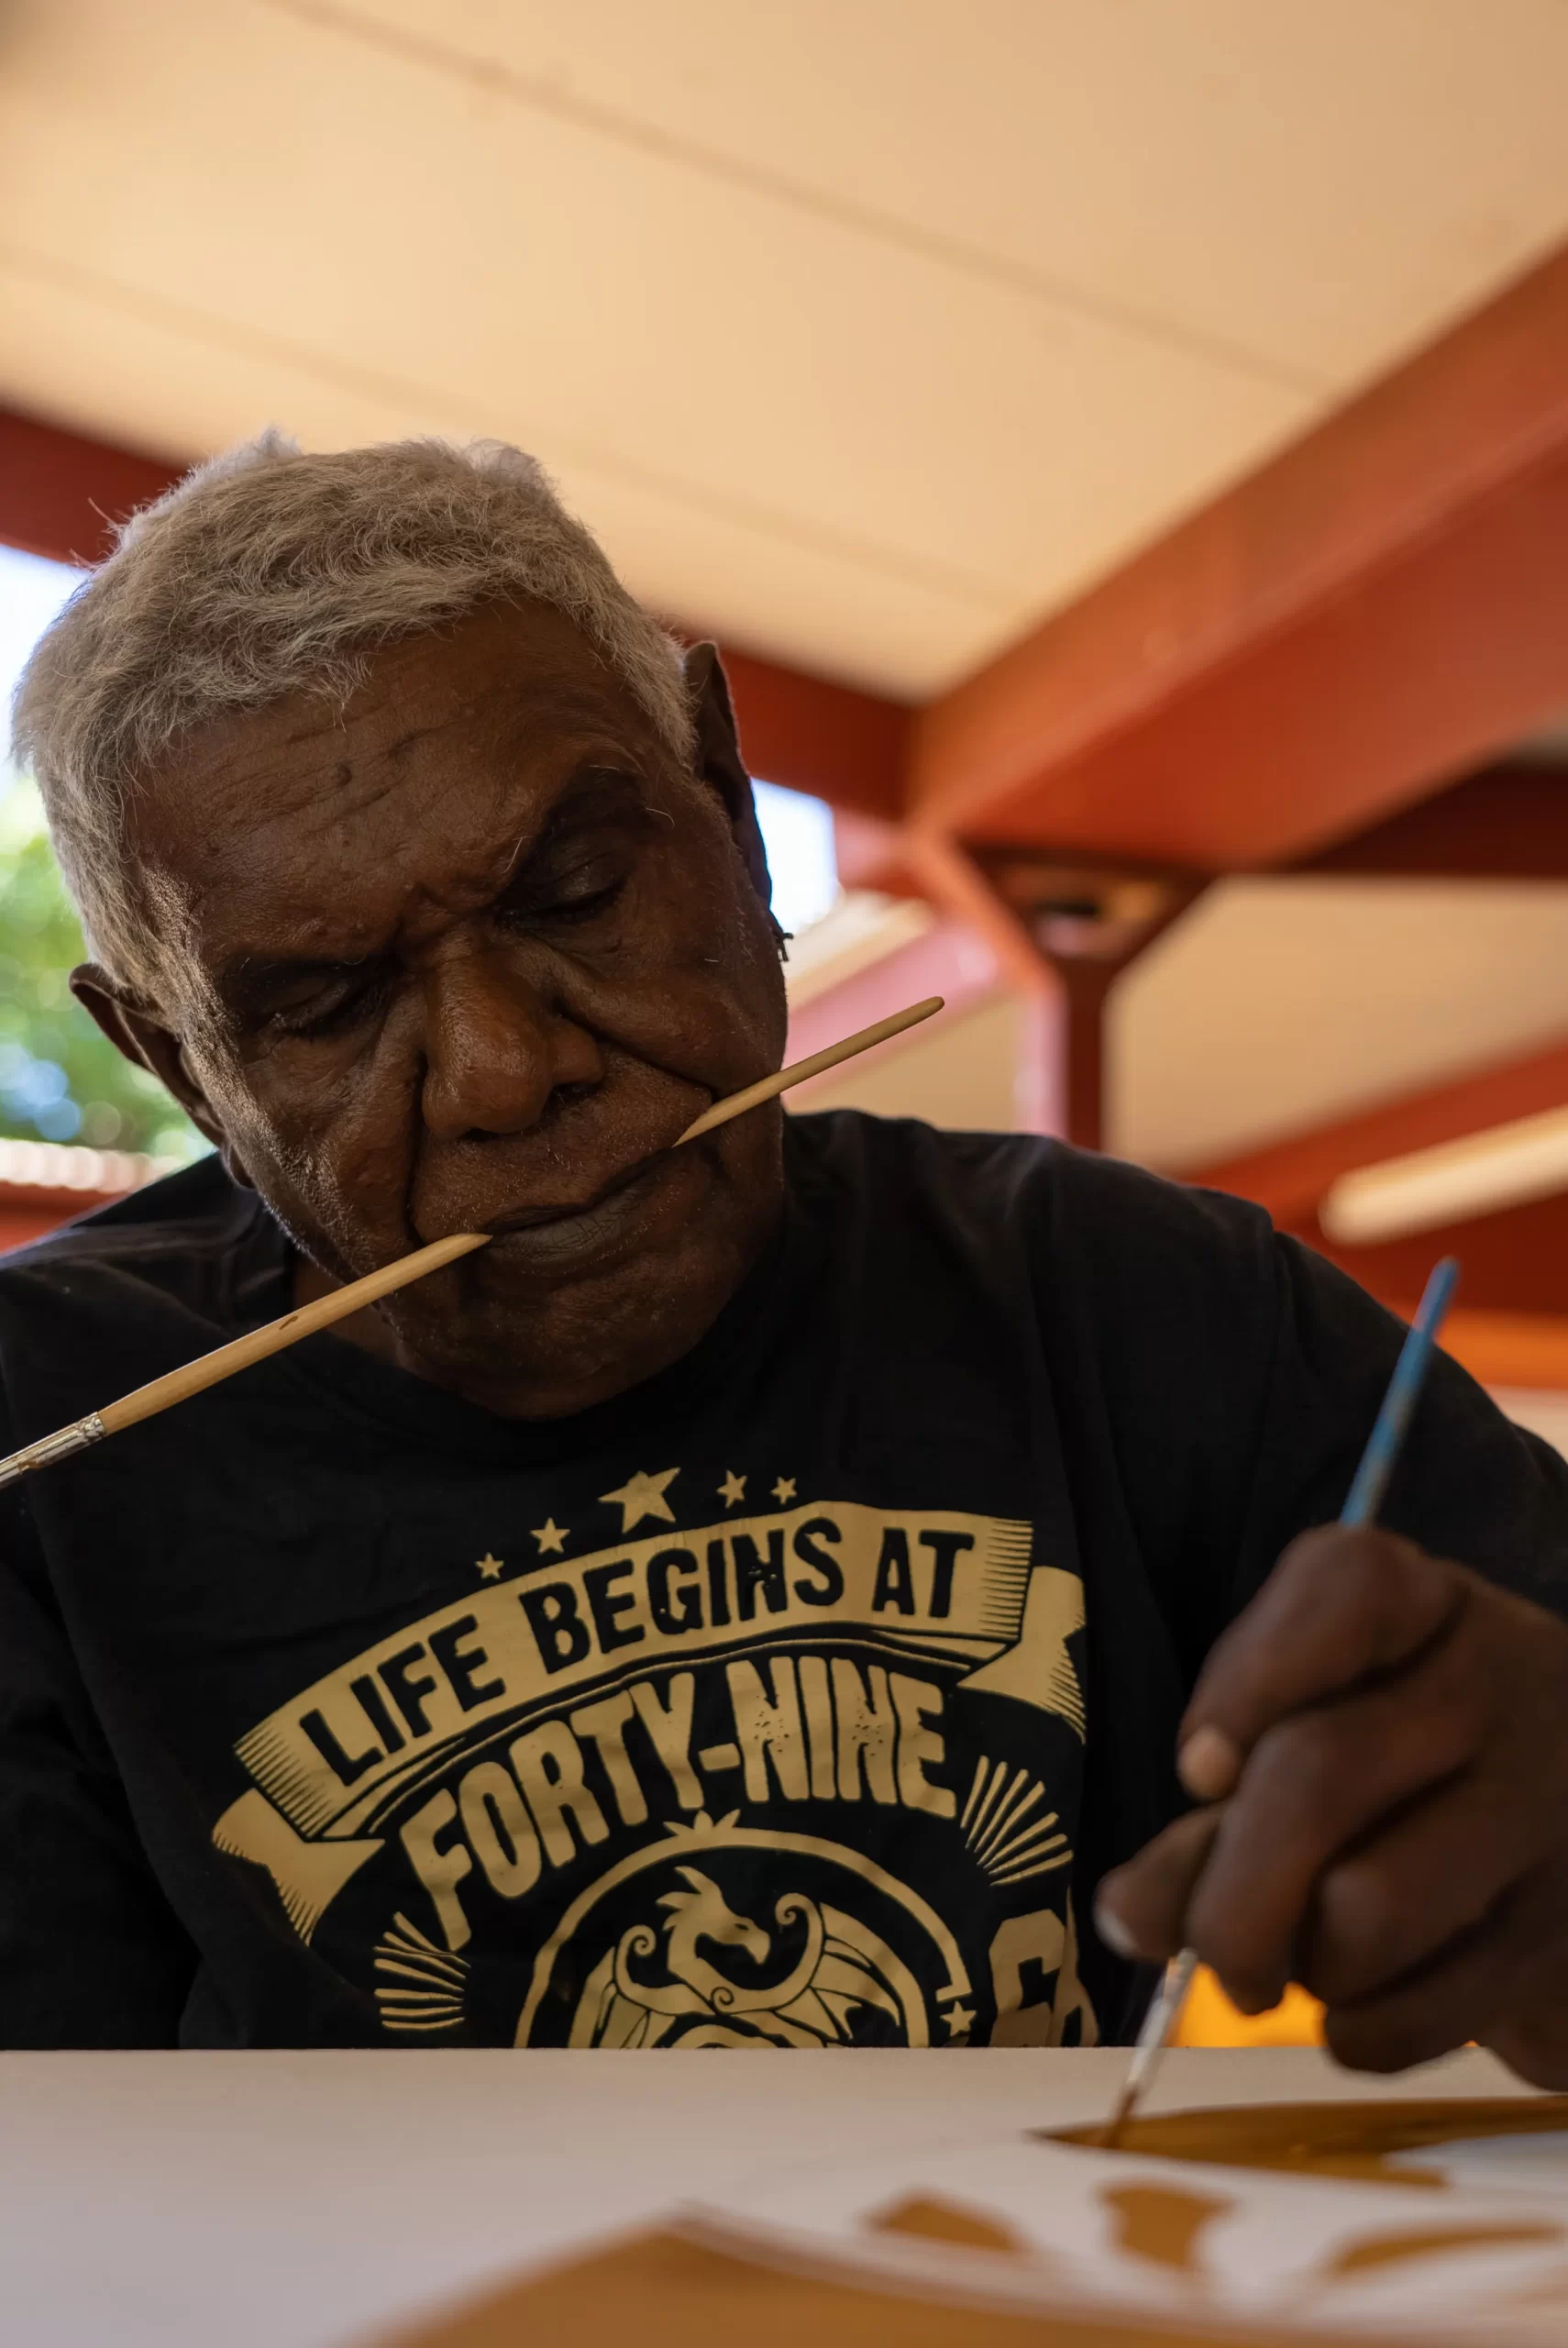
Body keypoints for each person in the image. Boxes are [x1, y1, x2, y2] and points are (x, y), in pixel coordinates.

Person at [6, 434, 1568, 2070]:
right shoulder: (43, 1445)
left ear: (728, 807)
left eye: (578, 893)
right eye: (326, 1006)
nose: (501, 1069)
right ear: (178, 1056)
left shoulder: (1126, 1306)